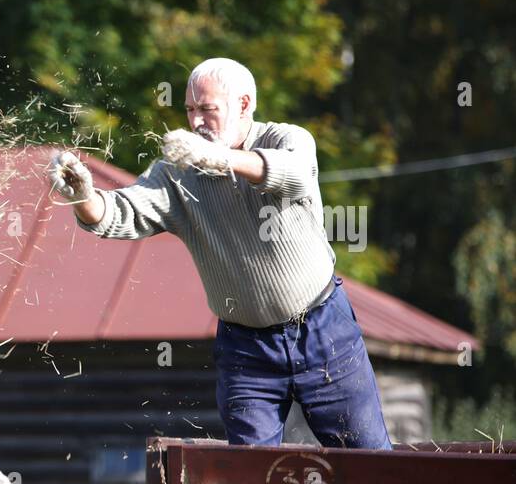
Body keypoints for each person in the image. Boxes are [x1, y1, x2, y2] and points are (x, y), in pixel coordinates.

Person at [49, 56, 392, 449]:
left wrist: (220, 159)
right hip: (246, 348)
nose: (195, 122)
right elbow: (119, 214)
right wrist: (83, 197)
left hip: (323, 329)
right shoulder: (177, 174)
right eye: (190, 110)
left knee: (370, 460)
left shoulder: (286, 139)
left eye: (207, 110)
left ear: (244, 105)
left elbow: (293, 173)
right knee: (248, 475)